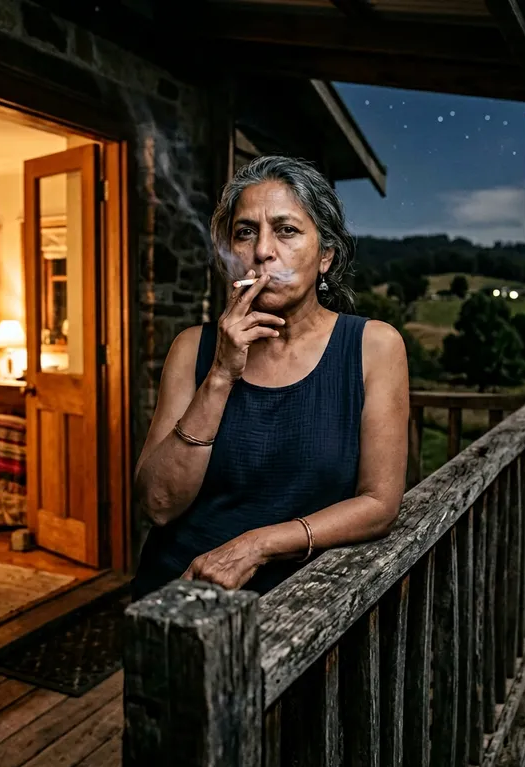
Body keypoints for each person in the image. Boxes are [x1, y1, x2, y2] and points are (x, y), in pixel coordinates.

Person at [131, 155, 409, 600]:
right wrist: (220, 374)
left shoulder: (373, 347)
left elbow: (379, 504)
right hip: (179, 597)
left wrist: (258, 545)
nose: (262, 250)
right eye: (245, 232)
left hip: (300, 603)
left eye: (286, 230)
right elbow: (159, 506)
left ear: (325, 257)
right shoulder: (192, 349)